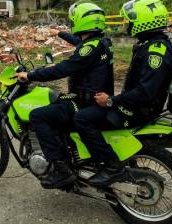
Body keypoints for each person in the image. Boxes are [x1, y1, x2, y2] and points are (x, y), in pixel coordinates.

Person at [74, 0, 172, 186]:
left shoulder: (155, 52)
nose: (127, 24)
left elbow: (145, 92)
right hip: (138, 106)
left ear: (143, 21)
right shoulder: (152, 44)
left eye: (129, 21)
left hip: (138, 110)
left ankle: (111, 166)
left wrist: (112, 101)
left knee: (82, 118)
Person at [15, 2, 114, 189]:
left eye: (74, 19)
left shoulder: (89, 49)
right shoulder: (102, 43)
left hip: (85, 103)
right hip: (92, 101)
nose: (72, 22)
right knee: (57, 104)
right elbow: (79, 43)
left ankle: (61, 169)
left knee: (37, 116)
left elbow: (63, 69)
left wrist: (30, 75)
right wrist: (58, 33)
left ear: (82, 21)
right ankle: (68, 158)